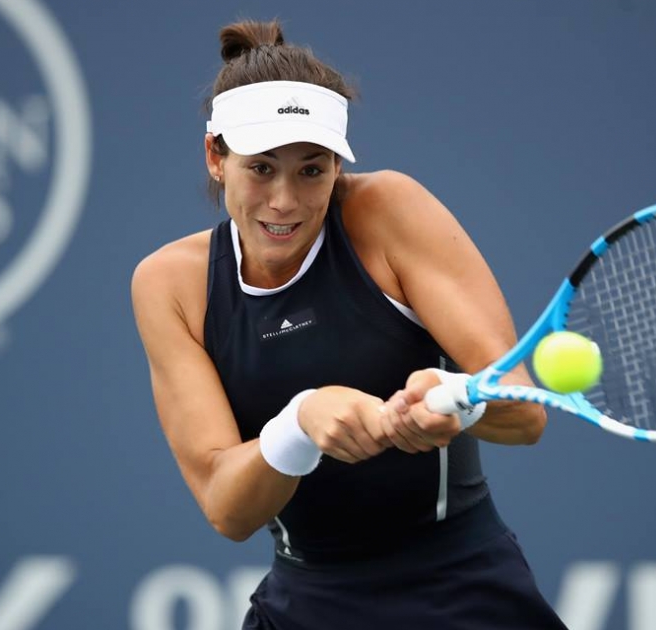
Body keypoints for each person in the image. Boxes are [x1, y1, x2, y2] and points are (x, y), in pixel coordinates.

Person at [131, 18, 569, 630]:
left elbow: (525, 413)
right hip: (304, 604)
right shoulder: (169, 283)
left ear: (338, 165)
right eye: (260, 168)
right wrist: (302, 421)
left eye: (312, 170)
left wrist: (454, 406)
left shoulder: (388, 210)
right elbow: (227, 508)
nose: (284, 200)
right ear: (216, 157)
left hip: (461, 589)